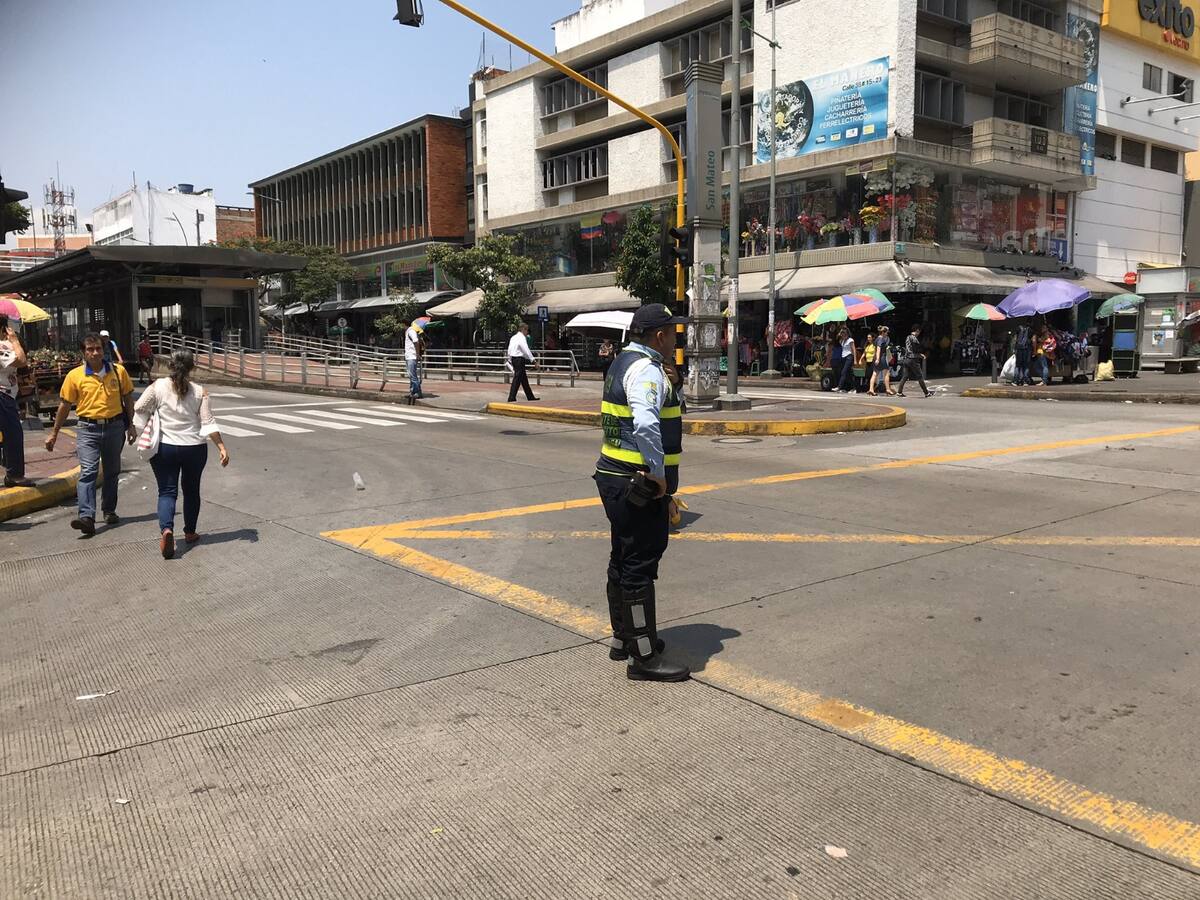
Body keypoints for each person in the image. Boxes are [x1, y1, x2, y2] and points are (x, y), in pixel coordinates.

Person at [595, 303, 690, 683]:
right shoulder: (646, 370)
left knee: (622, 555)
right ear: (659, 336)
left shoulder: (622, 362)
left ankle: (624, 638)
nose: (675, 339)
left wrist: (676, 385)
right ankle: (644, 657)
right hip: (637, 482)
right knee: (638, 567)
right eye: (673, 332)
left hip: (614, 476)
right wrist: (658, 474)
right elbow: (647, 423)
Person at [134, 350, 230, 559]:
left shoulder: (157, 386)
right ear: (192, 368)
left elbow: (139, 406)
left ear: (170, 366)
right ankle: (190, 532)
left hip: (165, 448)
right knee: (191, 490)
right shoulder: (200, 391)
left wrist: (151, 419)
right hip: (194, 448)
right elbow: (208, 422)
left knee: (167, 491)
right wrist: (221, 447)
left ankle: (167, 529)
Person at [45, 333, 137, 536]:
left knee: (112, 471)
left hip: (114, 428)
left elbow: (128, 399)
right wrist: (54, 433)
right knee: (88, 472)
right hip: (87, 430)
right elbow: (64, 405)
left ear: (103, 350)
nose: (95, 353)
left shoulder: (119, 372)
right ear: (83, 353)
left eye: (98, 348)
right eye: (90, 349)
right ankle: (86, 517)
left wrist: (131, 425)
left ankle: (109, 509)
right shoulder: (75, 376)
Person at [0, 319, 34, 488]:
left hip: (8, 395)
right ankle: (14, 474)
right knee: (13, 434)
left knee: (10, 435)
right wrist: (14, 341)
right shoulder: (3, 346)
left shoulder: (5, 344)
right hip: (2, 395)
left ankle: (12, 472)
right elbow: (21, 361)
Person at [506, 323, 539, 402]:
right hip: (519, 359)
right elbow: (526, 349)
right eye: (527, 330)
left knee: (524, 380)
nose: (527, 332)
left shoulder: (513, 337)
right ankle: (511, 397)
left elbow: (509, 350)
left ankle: (530, 396)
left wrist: (510, 359)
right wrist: (533, 360)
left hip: (514, 358)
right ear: (523, 329)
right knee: (517, 379)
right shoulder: (522, 338)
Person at [896, 323, 931, 398]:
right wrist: (920, 354)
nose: (919, 334)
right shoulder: (914, 338)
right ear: (917, 331)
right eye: (919, 332)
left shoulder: (908, 337)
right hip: (913, 360)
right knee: (920, 376)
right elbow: (915, 350)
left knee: (905, 376)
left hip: (906, 359)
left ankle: (899, 392)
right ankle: (926, 393)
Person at [869, 325, 894, 396]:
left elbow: (875, 348)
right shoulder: (881, 339)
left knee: (874, 373)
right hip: (881, 357)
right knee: (886, 373)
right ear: (883, 332)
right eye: (886, 332)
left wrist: (876, 358)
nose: (887, 334)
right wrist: (877, 359)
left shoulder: (877, 339)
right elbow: (879, 349)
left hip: (876, 357)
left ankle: (871, 389)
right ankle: (888, 389)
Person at [403, 320, 425, 398]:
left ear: (404, 324)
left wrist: (417, 354)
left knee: (413, 375)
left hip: (412, 357)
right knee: (411, 375)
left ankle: (418, 392)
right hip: (409, 356)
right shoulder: (408, 331)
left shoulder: (411, 331)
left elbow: (416, 342)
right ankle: (412, 392)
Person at [835, 327, 856, 393]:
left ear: (847, 334)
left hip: (849, 357)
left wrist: (855, 360)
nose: (843, 335)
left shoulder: (850, 340)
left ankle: (839, 387)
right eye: (842, 333)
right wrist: (839, 333)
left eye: (844, 333)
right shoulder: (842, 341)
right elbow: (836, 339)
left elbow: (853, 350)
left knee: (843, 372)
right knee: (848, 374)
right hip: (843, 357)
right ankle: (852, 388)